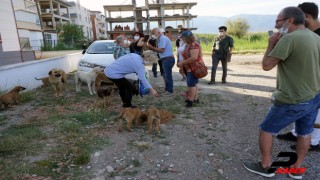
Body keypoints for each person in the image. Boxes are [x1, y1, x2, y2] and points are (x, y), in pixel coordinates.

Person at [243, 7, 320, 179]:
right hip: (314, 96)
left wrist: (271, 43)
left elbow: (266, 65)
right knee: (305, 132)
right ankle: (296, 168)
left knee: (266, 129)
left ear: (290, 20)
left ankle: (265, 166)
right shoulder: (315, 37)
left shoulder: (289, 39)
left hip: (292, 97)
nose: (276, 24)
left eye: (278, 21)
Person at [276, 2, 320, 152]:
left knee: (316, 114)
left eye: (299, 17)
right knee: (303, 110)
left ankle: (314, 141)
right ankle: (297, 133)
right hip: (303, 85)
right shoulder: (304, 34)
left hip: (315, 85)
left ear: (306, 17)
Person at [148, 28, 175, 94]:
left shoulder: (162, 39)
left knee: (167, 75)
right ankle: (167, 89)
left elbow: (161, 50)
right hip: (166, 59)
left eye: (153, 34)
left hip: (167, 59)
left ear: (159, 32)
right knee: (166, 75)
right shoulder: (162, 38)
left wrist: (152, 47)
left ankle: (169, 90)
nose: (153, 35)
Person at [177, 30, 200, 107]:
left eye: (182, 37)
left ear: (186, 38)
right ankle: (195, 98)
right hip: (188, 67)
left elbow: (194, 57)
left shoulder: (194, 45)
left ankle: (191, 100)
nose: (181, 39)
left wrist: (182, 63)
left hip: (193, 67)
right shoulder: (188, 45)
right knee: (192, 83)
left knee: (191, 84)